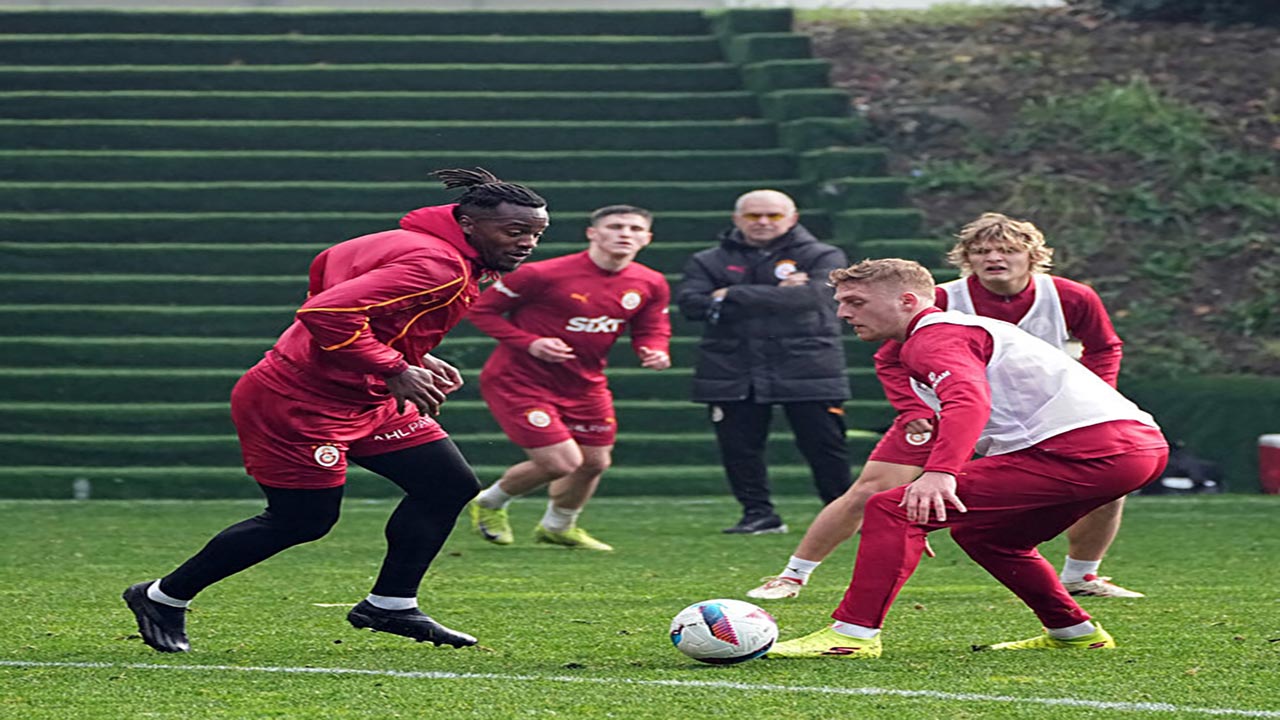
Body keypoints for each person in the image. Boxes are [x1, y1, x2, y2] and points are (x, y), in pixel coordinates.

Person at [121, 168, 549, 653]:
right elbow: (325, 312)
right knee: (301, 520)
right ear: (468, 223)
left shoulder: (412, 242)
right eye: (515, 232)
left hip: (367, 397)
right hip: (299, 402)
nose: (528, 243)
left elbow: (330, 269)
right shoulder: (438, 264)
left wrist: (412, 355)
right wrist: (393, 364)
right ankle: (163, 597)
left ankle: (390, 604)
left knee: (446, 486)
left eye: (536, 233)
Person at [767, 258, 1167, 659]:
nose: (843, 312)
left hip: (1088, 450)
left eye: (855, 301)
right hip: (1134, 448)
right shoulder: (945, 333)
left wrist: (939, 473)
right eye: (841, 301)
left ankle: (851, 635)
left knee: (895, 509)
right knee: (987, 536)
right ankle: (1074, 630)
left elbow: (968, 401)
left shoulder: (934, 337)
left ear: (908, 301)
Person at [748, 212, 1142, 600]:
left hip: (1037, 417)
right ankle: (793, 576)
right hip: (944, 409)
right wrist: (913, 410)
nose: (993, 258)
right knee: (872, 489)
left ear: (1033, 256)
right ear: (965, 258)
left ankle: (1081, 575)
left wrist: (1099, 396)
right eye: (981, 251)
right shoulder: (939, 297)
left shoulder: (1070, 295)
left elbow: (1105, 348)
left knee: (1109, 488)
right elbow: (889, 358)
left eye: (1007, 249)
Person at [465, 205, 671, 551]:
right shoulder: (543, 274)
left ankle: (558, 526)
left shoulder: (650, 282)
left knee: (594, 462)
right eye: (615, 226)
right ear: (593, 233)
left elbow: (652, 327)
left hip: (585, 383)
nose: (625, 233)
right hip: (520, 380)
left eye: (635, 228)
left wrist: (654, 349)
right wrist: (531, 343)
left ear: (647, 239)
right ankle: (489, 502)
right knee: (561, 462)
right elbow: (479, 309)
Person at [676, 189, 852, 535]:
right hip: (731, 368)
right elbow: (692, 305)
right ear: (737, 218)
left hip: (809, 365)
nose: (762, 222)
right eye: (753, 215)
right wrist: (779, 294)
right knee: (740, 448)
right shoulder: (706, 260)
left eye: (772, 215)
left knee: (825, 446)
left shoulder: (823, 254)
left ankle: (842, 513)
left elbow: (816, 297)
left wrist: (733, 293)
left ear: (792, 218)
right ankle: (758, 514)